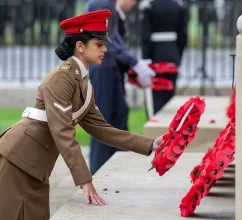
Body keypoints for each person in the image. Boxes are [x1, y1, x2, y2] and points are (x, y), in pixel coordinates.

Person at [0, 10, 162, 220]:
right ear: (80, 46)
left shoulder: (83, 82)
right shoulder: (61, 78)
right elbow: (63, 132)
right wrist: (84, 180)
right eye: (98, 44)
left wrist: (151, 144)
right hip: (18, 160)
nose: (105, 49)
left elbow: (103, 130)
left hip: (36, 165)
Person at [87, 0, 156, 175]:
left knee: (119, 118)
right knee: (103, 124)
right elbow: (106, 39)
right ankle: (98, 173)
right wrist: (134, 63)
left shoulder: (109, 5)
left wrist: (133, 65)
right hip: (102, 69)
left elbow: (114, 37)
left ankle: (116, 169)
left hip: (111, 69)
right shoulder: (102, 4)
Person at [139, 0, 188, 115]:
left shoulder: (148, 6)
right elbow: (183, 36)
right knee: (169, 94)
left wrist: (145, 59)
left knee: (155, 96)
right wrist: (177, 58)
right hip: (172, 52)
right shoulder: (178, 6)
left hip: (155, 54)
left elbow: (145, 37)